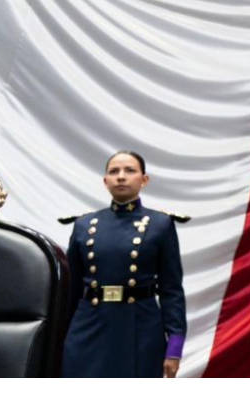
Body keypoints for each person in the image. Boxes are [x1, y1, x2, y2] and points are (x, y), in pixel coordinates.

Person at [62, 151, 187, 377]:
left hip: (140, 328)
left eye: (130, 170)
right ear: (105, 181)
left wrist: (174, 348)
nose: (121, 176)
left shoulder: (161, 224)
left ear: (144, 179)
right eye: (114, 171)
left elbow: (171, 289)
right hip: (89, 325)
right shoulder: (83, 224)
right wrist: (60, 338)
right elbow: (71, 291)